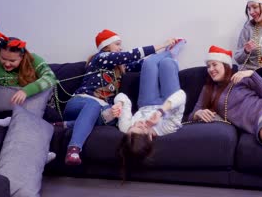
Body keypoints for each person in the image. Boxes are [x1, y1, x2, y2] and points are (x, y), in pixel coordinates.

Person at [62, 29, 183, 165]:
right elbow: (130, 56)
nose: (120, 48)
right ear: (106, 46)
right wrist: (161, 46)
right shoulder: (100, 58)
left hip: (101, 108)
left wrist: (165, 54)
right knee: (94, 105)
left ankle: (69, 124)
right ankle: (74, 149)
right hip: (79, 102)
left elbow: (144, 64)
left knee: (113, 117)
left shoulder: (119, 67)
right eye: (117, 44)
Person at [114, 40, 186, 180]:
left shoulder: (126, 128)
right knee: (167, 64)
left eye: (133, 127)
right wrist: (161, 112)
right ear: (150, 137)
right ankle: (172, 54)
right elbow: (181, 95)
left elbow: (122, 96)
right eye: (141, 127)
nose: (136, 123)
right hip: (168, 102)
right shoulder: (166, 128)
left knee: (148, 63)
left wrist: (119, 104)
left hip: (146, 102)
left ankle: (169, 52)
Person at [0, 25, 57, 120]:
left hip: (32, 111)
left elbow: (51, 77)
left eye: (12, 61)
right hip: (1, 112)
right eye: (3, 58)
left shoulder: (33, 60)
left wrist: (25, 91)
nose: (7, 64)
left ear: (22, 57)